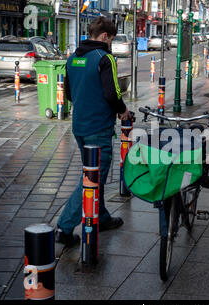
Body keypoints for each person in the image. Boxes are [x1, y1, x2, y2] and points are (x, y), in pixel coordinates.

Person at [56, 17, 130, 246]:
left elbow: (69, 94)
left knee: (93, 173)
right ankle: (65, 228)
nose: (111, 43)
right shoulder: (104, 58)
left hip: (79, 126)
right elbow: (112, 93)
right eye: (112, 39)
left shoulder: (73, 58)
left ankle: (103, 218)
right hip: (98, 128)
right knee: (92, 179)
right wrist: (123, 110)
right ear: (105, 36)